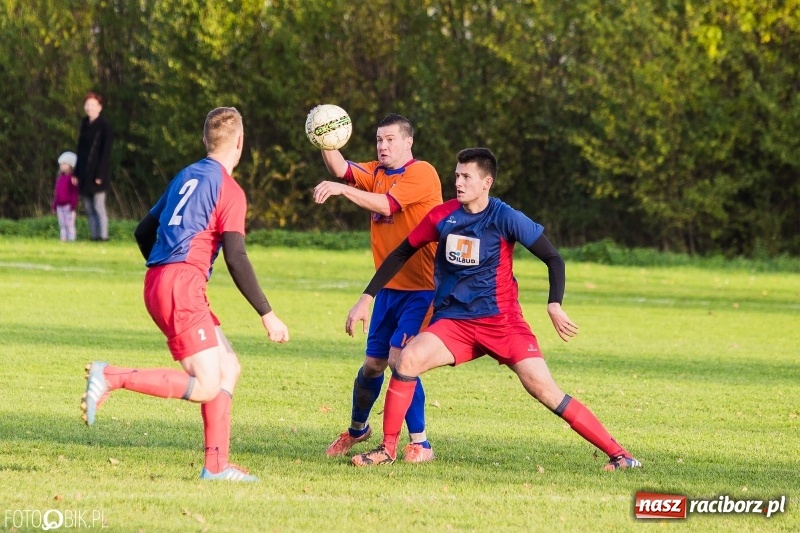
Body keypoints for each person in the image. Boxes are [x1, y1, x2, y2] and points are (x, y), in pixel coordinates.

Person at [346, 147, 642, 471]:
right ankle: (387, 448)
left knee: (545, 390)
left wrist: (554, 304)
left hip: (502, 323)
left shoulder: (505, 217)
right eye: (456, 175)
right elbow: (402, 252)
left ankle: (621, 455)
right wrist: (367, 296)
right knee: (407, 360)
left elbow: (553, 258)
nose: (458, 182)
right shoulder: (443, 216)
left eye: (466, 177)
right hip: (455, 323)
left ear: (486, 182)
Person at [81, 107, 290, 482]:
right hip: (181, 285)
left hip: (163, 279)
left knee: (228, 367)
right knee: (207, 384)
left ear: (204, 140)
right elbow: (236, 256)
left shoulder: (186, 175)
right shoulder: (229, 189)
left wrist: (166, 270)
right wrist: (267, 314)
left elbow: (143, 231)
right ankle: (110, 376)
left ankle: (216, 466)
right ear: (240, 142)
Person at [313, 113, 442, 462]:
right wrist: (324, 134)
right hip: (387, 289)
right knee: (373, 365)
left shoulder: (422, 173)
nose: (382, 146)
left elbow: (387, 204)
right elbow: (339, 167)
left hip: (422, 289)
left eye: (390, 140)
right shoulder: (376, 172)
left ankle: (421, 444)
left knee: (402, 362)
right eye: (379, 140)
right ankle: (358, 430)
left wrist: (343, 190)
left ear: (408, 142)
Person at [75, 91, 113, 241]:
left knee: (98, 206)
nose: (89, 107)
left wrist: (100, 174)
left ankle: (103, 236)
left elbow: (105, 152)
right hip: (84, 172)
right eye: (87, 105)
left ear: (99, 107)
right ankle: (94, 236)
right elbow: (80, 149)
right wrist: (76, 173)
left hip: (97, 173)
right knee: (88, 208)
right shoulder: (84, 124)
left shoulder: (105, 126)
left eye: (92, 105)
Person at [52, 151, 79, 242]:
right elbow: (57, 193)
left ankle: (71, 239)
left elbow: (74, 193)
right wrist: (54, 205)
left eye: (64, 164)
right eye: (60, 164)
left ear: (70, 165)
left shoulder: (72, 178)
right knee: (62, 224)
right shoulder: (60, 178)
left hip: (68, 206)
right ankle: (63, 239)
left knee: (69, 224)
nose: (61, 166)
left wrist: (73, 205)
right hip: (59, 206)